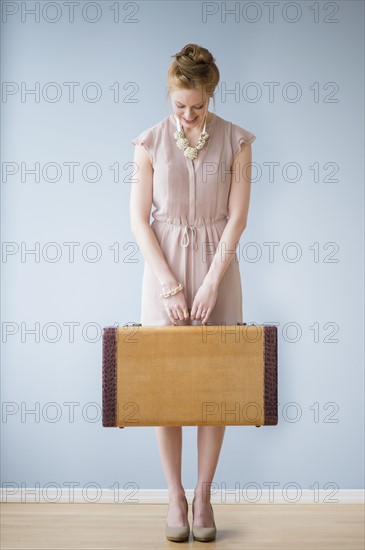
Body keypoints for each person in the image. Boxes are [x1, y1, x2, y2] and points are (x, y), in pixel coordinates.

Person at [130, 43, 256, 542]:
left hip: (217, 267)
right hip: (163, 269)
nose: (187, 116)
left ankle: (203, 494)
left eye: (197, 107)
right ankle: (174, 495)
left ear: (211, 96)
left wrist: (210, 282)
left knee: (214, 386)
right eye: (179, 106)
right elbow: (139, 220)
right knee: (165, 387)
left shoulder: (238, 141)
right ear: (170, 97)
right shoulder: (148, 142)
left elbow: (238, 218)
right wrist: (168, 282)